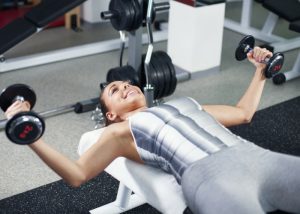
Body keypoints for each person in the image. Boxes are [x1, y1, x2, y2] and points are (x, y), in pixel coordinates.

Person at [4, 47, 300, 214]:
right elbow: (77, 175)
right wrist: (32, 136)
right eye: (114, 90)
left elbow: (243, 114)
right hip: (211, 178)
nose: (125, 86)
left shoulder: (187, 102)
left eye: (127, 84)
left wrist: (261, 71)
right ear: (111, 114)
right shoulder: (120, 132)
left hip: (257, 157)